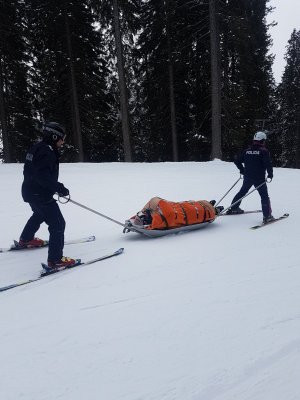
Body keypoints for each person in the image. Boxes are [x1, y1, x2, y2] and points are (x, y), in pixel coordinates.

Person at [19, 121, 76, 269]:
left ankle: (26, 239)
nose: (63, 142)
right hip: (40, 194)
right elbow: (42, 176)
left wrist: (53, 187)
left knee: (39, 214)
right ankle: (56, 260)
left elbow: (33, 172)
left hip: (30, 191)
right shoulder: (47, 152)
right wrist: (59, 188)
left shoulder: (37, 147)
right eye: (62, 138)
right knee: (58, 224)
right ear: (55, 137)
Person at [226, 131, 274, 223]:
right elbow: (268, 164)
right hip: (259, 178)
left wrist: (242, 170)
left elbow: (237, 161)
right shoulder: (264, 151)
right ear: (262, 141)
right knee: (264, 196)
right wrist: (270, 174)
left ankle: (234, 208)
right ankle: (267, 216)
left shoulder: (247, 151)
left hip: (248, 177)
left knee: (242, 192)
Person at [131, 197, 223, 230]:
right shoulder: (157, 217)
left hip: (182, 209)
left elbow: (167, 213)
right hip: (184, 210)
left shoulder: (157, 217)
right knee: (193, 210)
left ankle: (212, 208)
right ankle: (211, 207)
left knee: (192, 208)